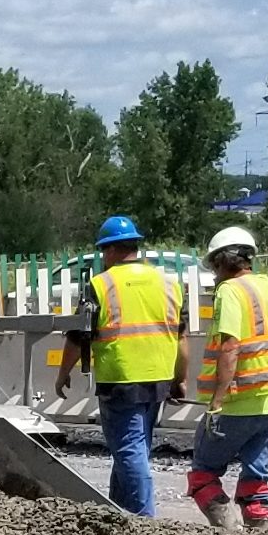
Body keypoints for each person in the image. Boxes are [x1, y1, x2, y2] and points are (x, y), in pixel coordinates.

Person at [54, 215, 184, 517]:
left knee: (129, 450)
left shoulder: (101, 284)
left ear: (109, 250)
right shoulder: (167, 283)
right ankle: (118, 512)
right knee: (133, 449)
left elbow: (78, 335)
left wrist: (62, 374)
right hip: (159, 377)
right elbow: (182, 336)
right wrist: (180, 378)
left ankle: (143, 521)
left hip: (121, 378)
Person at [187, 225, 268, 530]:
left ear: (222, 262)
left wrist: (216, 402)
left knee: (203, 473)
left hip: (236, 400)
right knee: (256, 480)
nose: (215, 276)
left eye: (215, 267)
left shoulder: (229, 291)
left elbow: (230, 347)